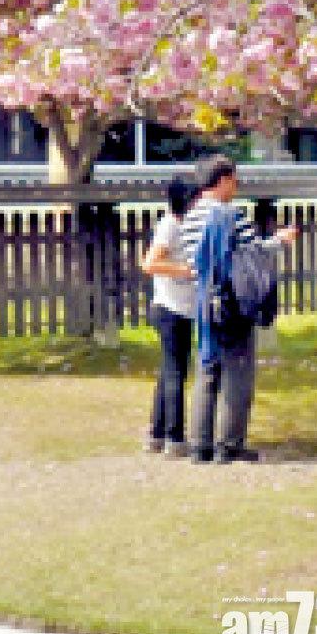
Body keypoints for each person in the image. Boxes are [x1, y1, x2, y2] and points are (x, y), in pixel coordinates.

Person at [178, 154, 297, 464]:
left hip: (204, 300)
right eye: (234, 179)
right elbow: (250, 254)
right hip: (232, 302)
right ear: (222, 181)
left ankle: (199, 445)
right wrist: (280, 240)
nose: (237, 184)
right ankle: (229, 444)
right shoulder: (230, 215)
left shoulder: (190, 217)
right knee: (236, 372)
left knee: (207, 369)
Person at [141, 176, 197, 457]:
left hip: (183, 308)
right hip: (169, 308)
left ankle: (156, 433)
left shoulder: (184, 226)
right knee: (176, 372)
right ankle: (175, 438)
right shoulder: (170, 226)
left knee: (169, 371)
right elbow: (150, 263)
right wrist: (187, 270)